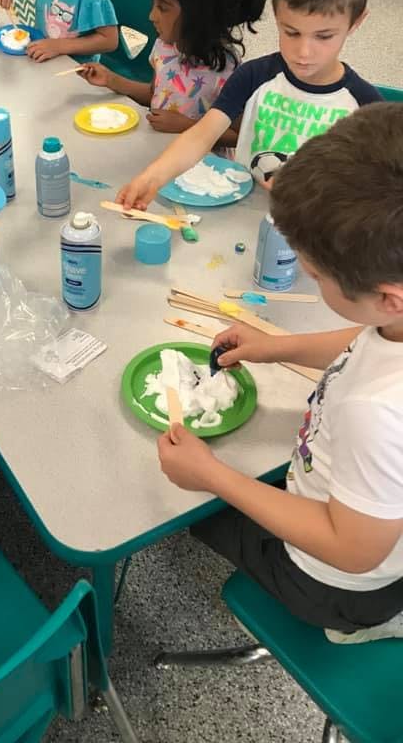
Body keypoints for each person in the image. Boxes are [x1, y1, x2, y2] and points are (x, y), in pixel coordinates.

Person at [158, 103, 403, 644]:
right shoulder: (393, 322)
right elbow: (368, 339)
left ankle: (364, 625)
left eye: (315, 276)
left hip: (334, 582)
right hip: (364, 511)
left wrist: (211, 476)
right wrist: (277, 347)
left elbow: (352, 550)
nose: (310, 280)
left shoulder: (377, 412)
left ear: (388, 297)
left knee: (189, 512)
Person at [117, 0, 381, 209]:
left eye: (324, 36)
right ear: (277, 14)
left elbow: (378, 189)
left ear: (356, 21)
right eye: (291, 32)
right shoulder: (253, 77)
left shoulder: (366, 106)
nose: (303, 52)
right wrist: (152, 177)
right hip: (240, 219)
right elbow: (201, 136)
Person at [78, 0, 266, 143]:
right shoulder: (163, 47)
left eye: (163, 7)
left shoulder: (228, 71)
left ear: (198, 14)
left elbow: (239, 137)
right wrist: (111, 80)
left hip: (202, 161)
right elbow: (155, 94)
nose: (151, 16)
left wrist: (187, 126)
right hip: (159, 150)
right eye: (153, 3)